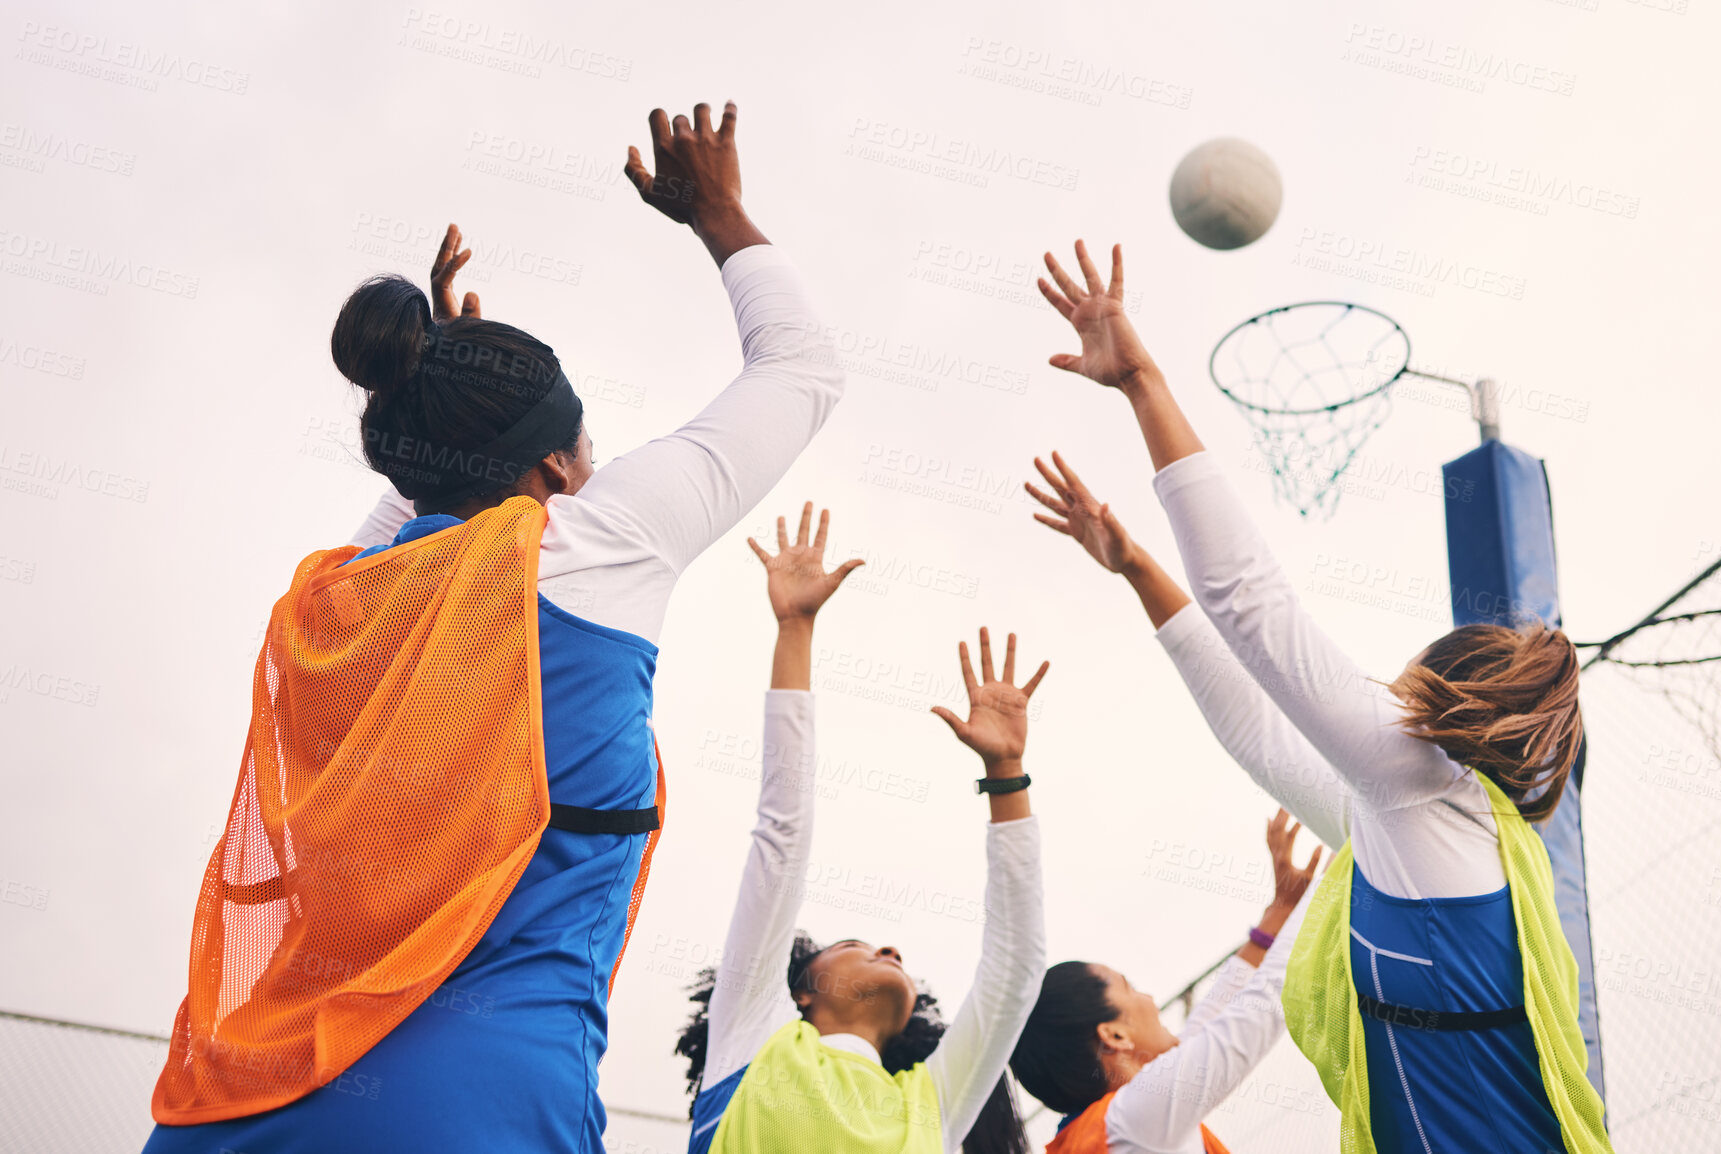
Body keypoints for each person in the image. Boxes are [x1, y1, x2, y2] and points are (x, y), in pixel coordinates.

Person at [145, 102, 845, 1154]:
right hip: (474, 1106)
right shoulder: (593, 542)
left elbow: (419, 510)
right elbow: (803, 366)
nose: (596, 470)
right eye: (588, 451)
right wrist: (720, 214)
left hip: (242, 1097)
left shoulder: (327, 609)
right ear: (556, 473)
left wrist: (441, 372)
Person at [1024, 240, 1612, 1154]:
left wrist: (1143, 381)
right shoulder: (1420, 823)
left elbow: (1249, 604)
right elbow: (1254, 727)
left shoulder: (1412, 781)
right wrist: (1138, 569)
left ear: (1431, 693)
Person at [675, 503, 1046, 1153]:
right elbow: (780, 836)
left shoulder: (932, 1102)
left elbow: (1015, 968)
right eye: (854, 943)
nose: (892, 950)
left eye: (863, 942)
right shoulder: (753, 1037)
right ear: (800, 994)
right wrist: (795, 629)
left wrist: (1006, 772)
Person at [1011, 810, 1318, 1154]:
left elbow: (1213, 1020)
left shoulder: (1101, 1130)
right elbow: (1253, 1015)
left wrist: (1283, 908)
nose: (1150, 998)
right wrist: (1347, 864)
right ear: (1114, 1035)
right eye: (1129, 988)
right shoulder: (1130, 1121)